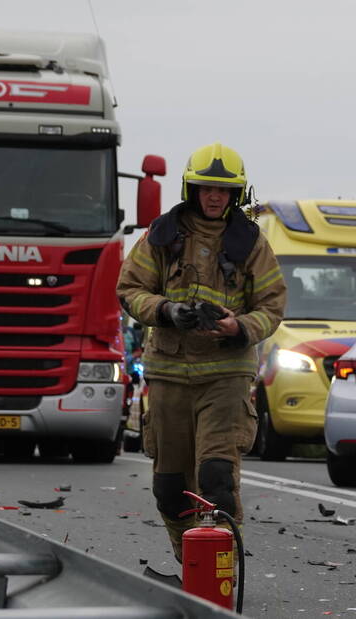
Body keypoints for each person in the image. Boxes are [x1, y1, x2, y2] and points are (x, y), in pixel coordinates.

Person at [117, 142, 286, 561]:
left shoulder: (252, 244)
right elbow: (129, 289)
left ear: (236, 195)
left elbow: (273, 306)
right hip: (170, 372)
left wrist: (239, 327)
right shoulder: (162, 235)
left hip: (225, 376)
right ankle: (189, 558)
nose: (215, 197)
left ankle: (219, 567)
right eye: (207, 188)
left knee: (216, 479)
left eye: (224, 190)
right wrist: (166, 310)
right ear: (191, 190)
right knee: (170, 486)